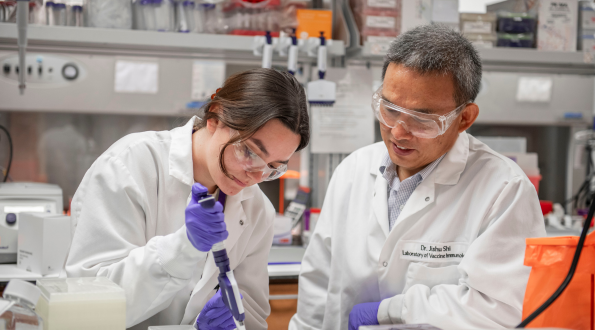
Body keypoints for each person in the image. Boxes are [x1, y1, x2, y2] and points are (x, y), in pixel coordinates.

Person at [289, 25, 546, 330]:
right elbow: (318, 282)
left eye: (422, 119)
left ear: (464, 118)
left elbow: (502, 309)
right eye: (390, 108)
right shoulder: (354, 170)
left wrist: (390, 312)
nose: (398, 132)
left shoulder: (504, 190)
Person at [65, 68, 310, 330]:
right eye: (250, 152)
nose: (256, 176)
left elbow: (250, 315)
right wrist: (183, 248)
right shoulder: (129, 165)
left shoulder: (258, 210)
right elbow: (89, 307)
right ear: (215, 118)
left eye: (273, 167)